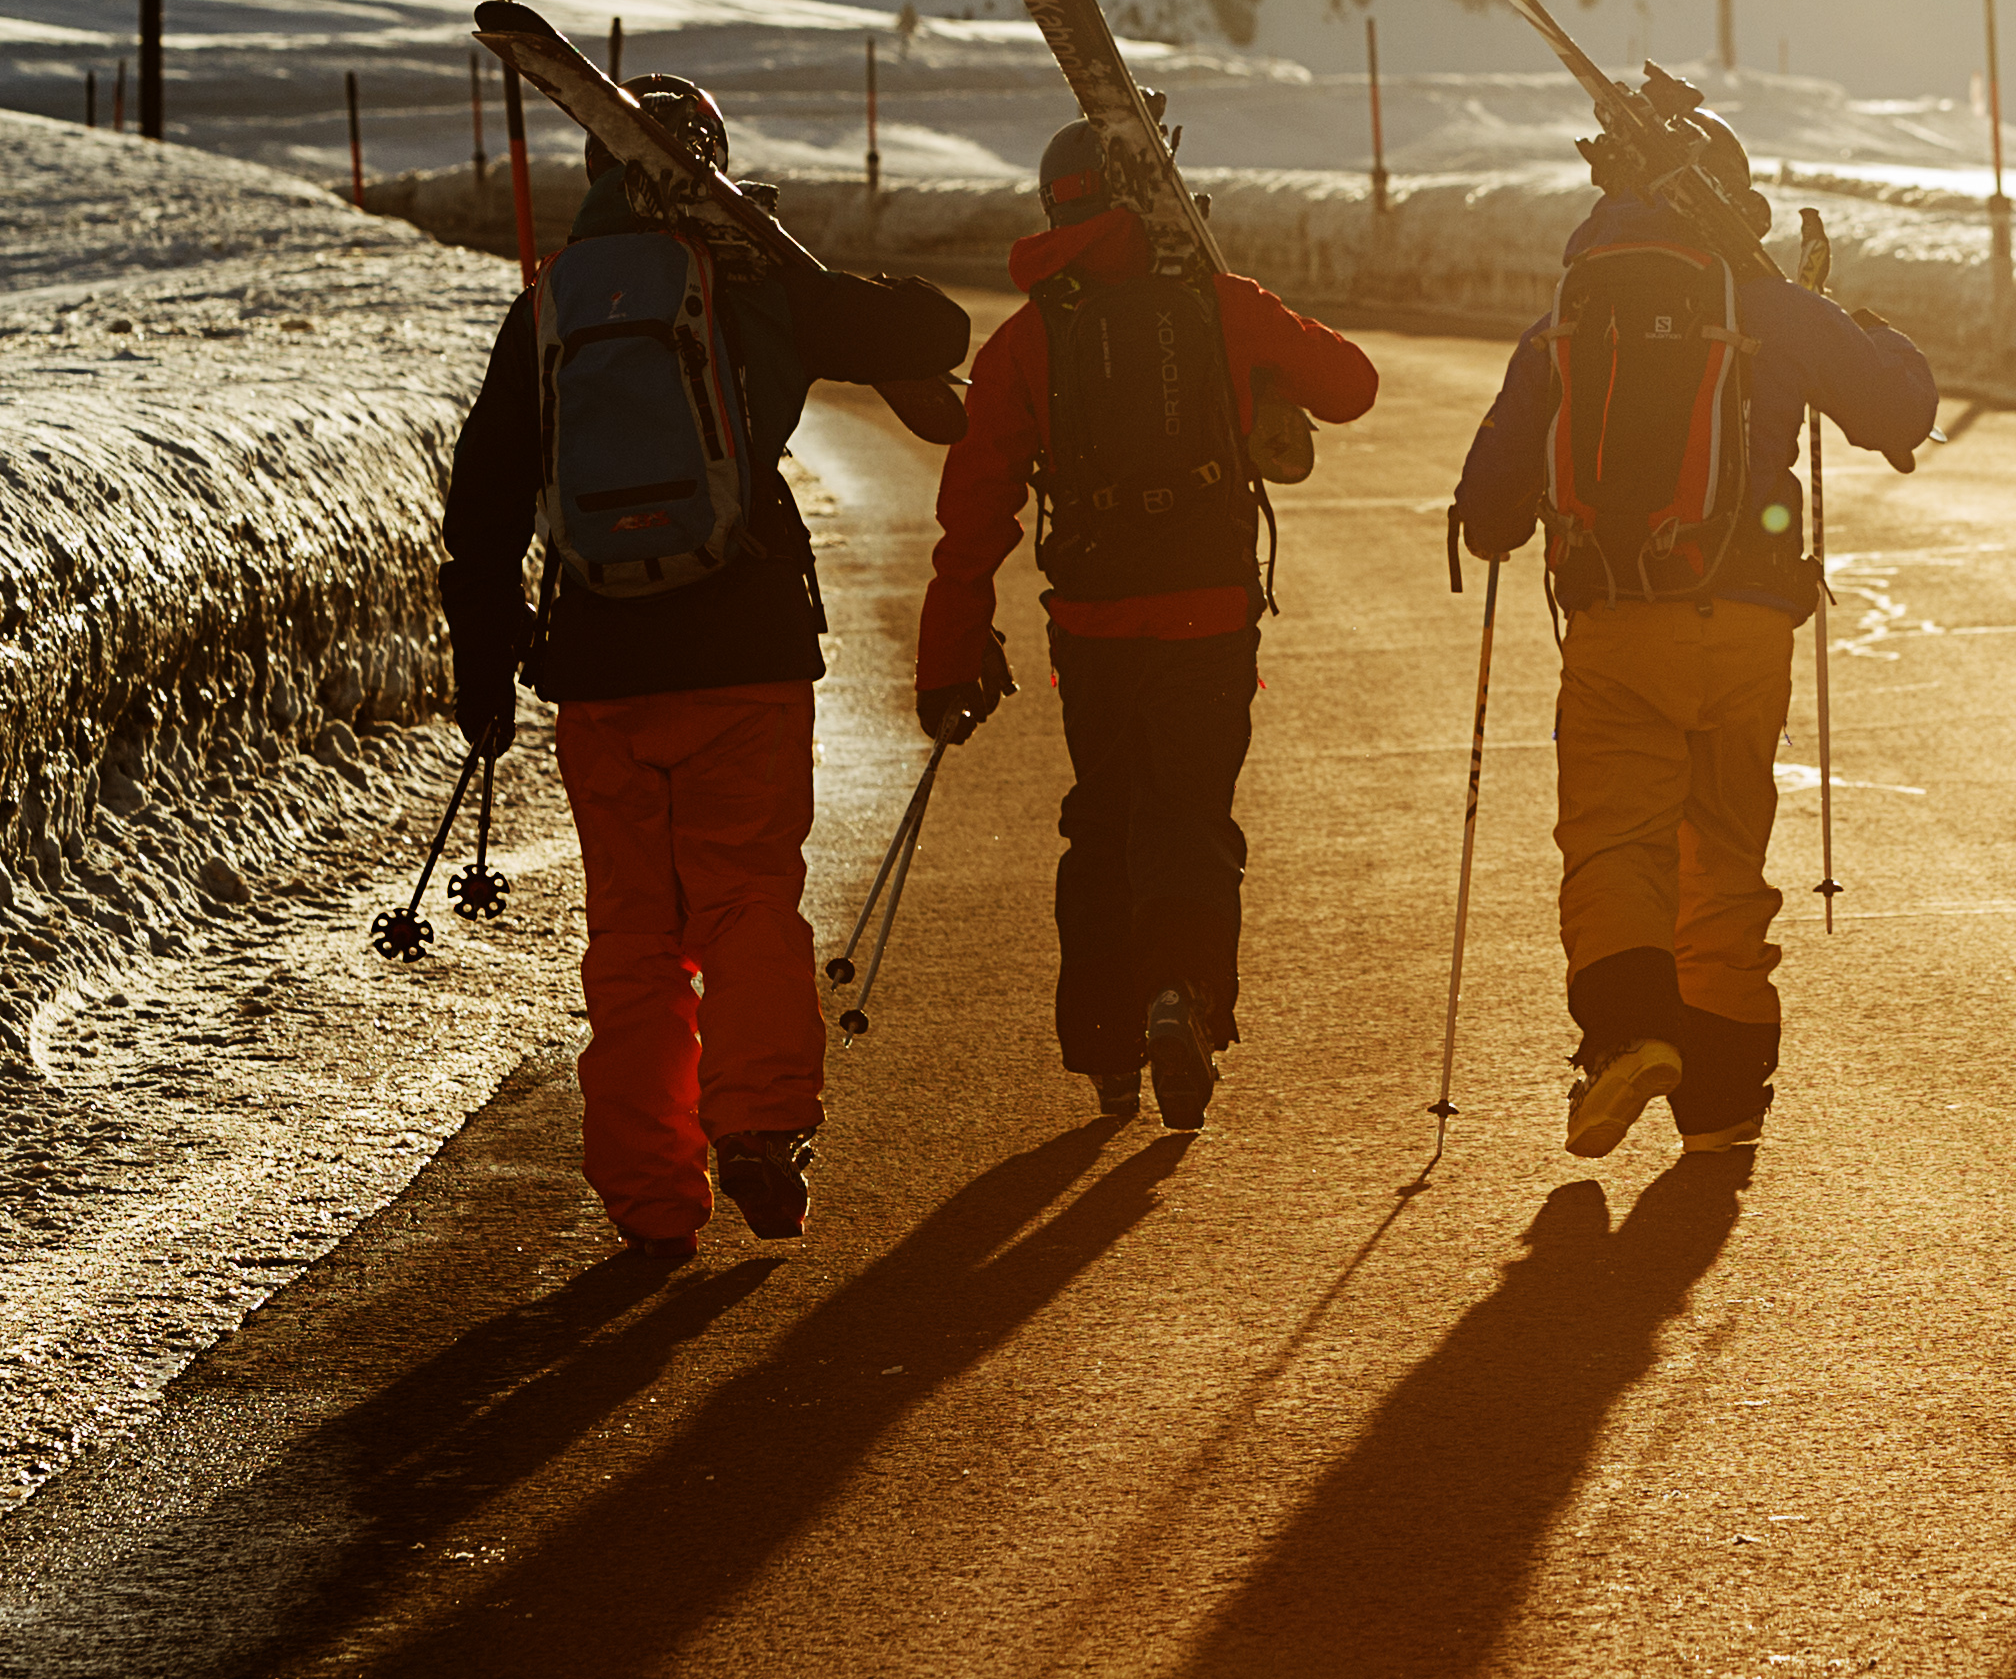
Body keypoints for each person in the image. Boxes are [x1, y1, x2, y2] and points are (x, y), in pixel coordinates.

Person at [441, 75, 970, 1258]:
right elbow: (936, 331)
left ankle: (649, 1194)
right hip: (744, 652)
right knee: (744, 899)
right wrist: (791, 261)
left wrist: (485, 659)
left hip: (601, 663)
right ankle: (759, 1125)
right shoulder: (754, 288)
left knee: (633, 930)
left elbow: (482, 506)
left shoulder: (548, 313)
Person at [1456, 98, 1938, 1164]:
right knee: (1722, 851)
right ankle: (1721, 1099)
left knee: (1616, 841)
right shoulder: (1762, 307)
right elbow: (1899, 410)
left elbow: (1489, 507)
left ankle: (1626, 1036)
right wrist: (1851, 320)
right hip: (1746, 625)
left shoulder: (1566, 323)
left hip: (1618, 624)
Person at [913, 117, 1378, 1128]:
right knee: (1187, 813)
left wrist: (947, 652)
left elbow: (973, 508)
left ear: (1057, 207)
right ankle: (1183, 996)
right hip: (1208, 610)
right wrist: (1238, 309)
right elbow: (1351, 387)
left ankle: (1104, 1047)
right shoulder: (1215, 303)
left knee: (1106, 815)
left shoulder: (1029, 333)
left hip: (1089, 618)